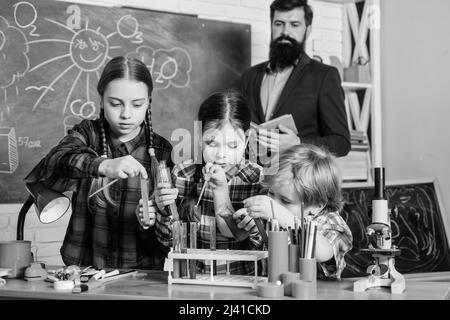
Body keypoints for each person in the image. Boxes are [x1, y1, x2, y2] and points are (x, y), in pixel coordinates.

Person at [24, 56, 178, 270]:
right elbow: (57, 160)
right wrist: (104, 166)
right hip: (85, 269)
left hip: (142, 273)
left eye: (137, 104)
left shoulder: (162, 151)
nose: (126, 114)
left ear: (148, 103)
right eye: (115, 104)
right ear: (102, 101)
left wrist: (157, 216)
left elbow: (171, 231)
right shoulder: (88, 133)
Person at [239, 0, 350, 160]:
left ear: (308, 30)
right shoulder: (249, 76)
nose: (285, 31)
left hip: (299, 181)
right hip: (253, 180)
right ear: (271, 26)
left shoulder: (325, 76)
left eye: (295, 24)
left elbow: (341, 142)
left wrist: (298, 144)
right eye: (279, 24)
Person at [171, 89, 265, 275]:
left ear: (246, 141)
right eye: (211, 143)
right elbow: (167, 238)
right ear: (199, 138)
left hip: (242, 280)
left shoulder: (256, 178)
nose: (221, 155)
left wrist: (220, 189)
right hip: (190, 279)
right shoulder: (183, 173)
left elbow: (239, 235)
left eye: (232, 145)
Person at [238, 144, 353, 279]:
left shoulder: (329, 221)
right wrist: (249, 222)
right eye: (271, 193)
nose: (274, 204)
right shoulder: (269, 218)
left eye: (285, 201)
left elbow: (325, 253)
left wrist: (283, 216)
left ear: (317, 206)